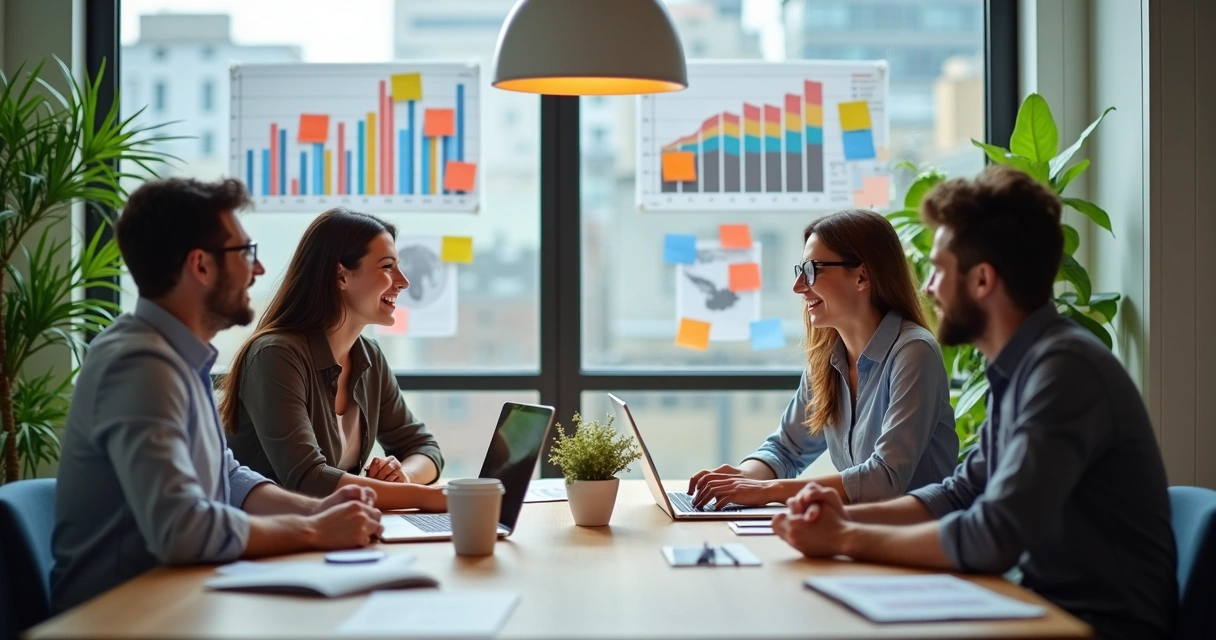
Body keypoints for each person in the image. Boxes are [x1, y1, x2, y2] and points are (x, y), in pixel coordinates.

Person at [773, 166, 1176, 640]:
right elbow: (962, 492)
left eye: (940, 270)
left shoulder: (1064, 372)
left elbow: (992, 535)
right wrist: (841, 516)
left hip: (1096, 624)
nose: (927, 288)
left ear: (982, 280)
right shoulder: (1019, 367)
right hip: (1039, 605)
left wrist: (844, 537)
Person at [51, 178, 383, 613]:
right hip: (124, 616)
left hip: (181, 599)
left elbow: (226, 479)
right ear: (201, 266)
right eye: (245, 253)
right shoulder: (139, 365)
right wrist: (315, 531)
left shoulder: (179, 358)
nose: (258, 270)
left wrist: (315, 511)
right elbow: (182, 529)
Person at [688, 209, 958, 510]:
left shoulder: (914, 352)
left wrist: (766, 490)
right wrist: (742, 479)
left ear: (862, 276)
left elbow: (885, 479)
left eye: (813, 270)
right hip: (863, 534)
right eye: (800, 270)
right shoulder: (828, 359)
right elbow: (786, 449)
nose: (799, 286)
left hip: (919, 542)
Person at [221, 208, 446, 512]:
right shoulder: (275, 355)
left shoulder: (368, 356)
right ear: (341, 275)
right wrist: (426, 497)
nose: (403, 281)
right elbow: (307, 479)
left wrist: (404, 476)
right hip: (268, 542)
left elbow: (424, 448)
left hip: (331, 534)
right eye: (388, 266)